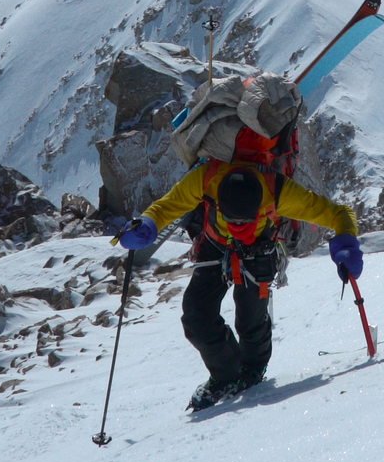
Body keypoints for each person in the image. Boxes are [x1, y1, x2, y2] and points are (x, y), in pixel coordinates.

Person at [118, 159, 365, 410]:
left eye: (244, 221)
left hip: (256, 249)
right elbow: (164, 208)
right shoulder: (207, 179)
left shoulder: (279, 192)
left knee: (250, 319)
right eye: (233, 221)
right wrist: (147, 223)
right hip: (215, 244)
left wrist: (346, 243)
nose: (238, 227)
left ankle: (251, 372)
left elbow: (340, 214)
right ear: (216, 202)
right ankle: (229, 375)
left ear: (261, 205)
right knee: (196, 315)